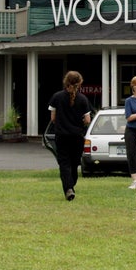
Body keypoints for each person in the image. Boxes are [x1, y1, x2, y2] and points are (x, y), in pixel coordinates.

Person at [47, 71, 92, 201]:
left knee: (64, 163)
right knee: (74, 163)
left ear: (66, 82)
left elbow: (53, 118)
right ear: (79, 83)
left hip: (61, 135)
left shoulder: (56, 97)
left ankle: (68, 188)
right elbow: (88, 120)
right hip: (77, 136)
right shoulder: (83, 99)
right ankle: (71, 185)